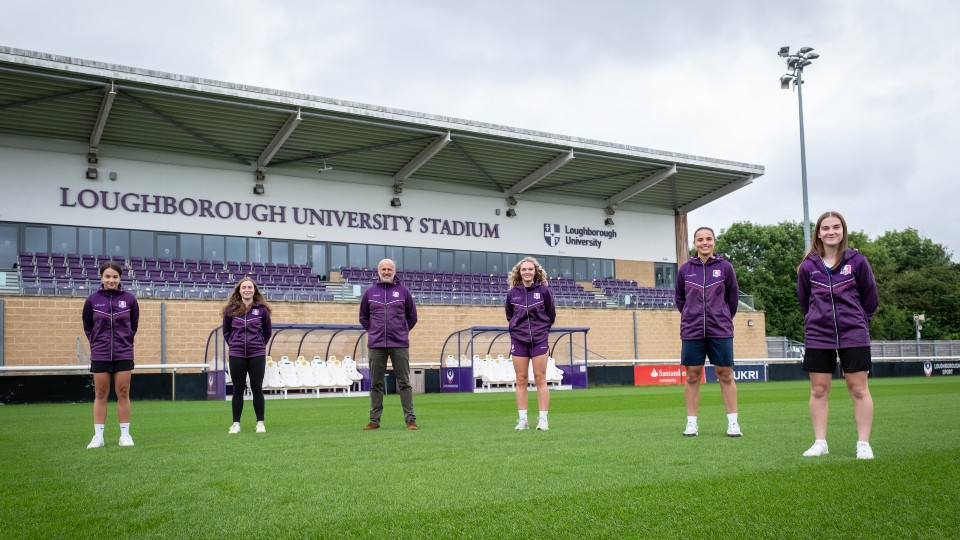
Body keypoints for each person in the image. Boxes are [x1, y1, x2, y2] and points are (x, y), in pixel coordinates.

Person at [797, 211, 879, 459]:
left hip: (854, 333)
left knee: (859, 389)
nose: (831, 232)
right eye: (825, 228)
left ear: (843, 231)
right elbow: (804, 301)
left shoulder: (858, 261)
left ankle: (863, 444)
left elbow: (871, 299)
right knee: (818, 390)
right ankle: (820, 442)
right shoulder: (808, 266)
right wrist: (815, 319)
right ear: (818, 234)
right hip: (818, 335)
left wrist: (858, 320)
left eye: (836, 227)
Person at [675, 227, 742, 437]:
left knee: (726, 374)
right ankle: (691, 424)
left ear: (714, 242)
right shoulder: (685, 269)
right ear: (695, 243)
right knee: (692, 376)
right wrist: (691, 316)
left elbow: (732, 300)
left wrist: (721, 317)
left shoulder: (725, 267)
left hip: (720, 329)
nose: (704, 242)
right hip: (692, 329)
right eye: (700, 239)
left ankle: (733, 424)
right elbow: (680, 300)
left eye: (708, 239)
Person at [82, 261, 139, 448]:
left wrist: (125, 341)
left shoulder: (129, 300)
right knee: (100, 393)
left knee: (123, 392)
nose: (111, 280)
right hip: (100, 353)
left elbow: (133, 326)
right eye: (107, 276)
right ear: (101, 277)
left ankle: (125, 435)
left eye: (115, 276)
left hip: (123, 353)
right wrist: (96, 342)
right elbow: (88, 326)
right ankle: (98, 437)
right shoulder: (92, 300)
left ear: (120, 278)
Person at [359, 259, 419, 430]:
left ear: (394, 271)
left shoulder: (403, 291)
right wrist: (374, 331)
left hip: (399, 344)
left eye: (389, 269)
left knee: (404, 383)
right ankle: (374, 421)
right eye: (383, 269)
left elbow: (412, 317)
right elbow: (363, 317)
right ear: (378, 271)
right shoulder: (370, 292)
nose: (386, 272)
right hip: (376, 345)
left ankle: (410, 420)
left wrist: (402, 331)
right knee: (376, 384)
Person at [506, 256, 556, 431]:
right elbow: (509, 316)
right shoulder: (512, 294)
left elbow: (551, 315)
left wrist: (541, 330)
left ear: (535, 272)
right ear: (519, 273)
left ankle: (543, 420)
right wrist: (518, 330)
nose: (527, 272)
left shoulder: (543, 291)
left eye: (530, 269)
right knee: (521, 380)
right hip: (519, 340)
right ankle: (523, 420)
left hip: (539, 340)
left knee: (540, 378)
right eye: (524, 269)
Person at [222, 277, 273, 434]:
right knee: (238, 388)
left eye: (250, 287)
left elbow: (267, 332)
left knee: (257, 388)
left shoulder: (262, 310)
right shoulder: (231, 310)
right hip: (236, 354)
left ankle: (260, 423)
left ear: (254, 290)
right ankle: (236, 424)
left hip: (257, 354)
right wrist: (234, 345)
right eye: (244, 287)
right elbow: (226, 332)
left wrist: (258, 345)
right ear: (239, 290)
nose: (247, 290)